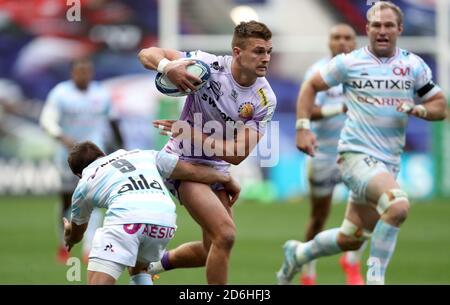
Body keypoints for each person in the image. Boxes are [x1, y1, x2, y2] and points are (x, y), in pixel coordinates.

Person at [278, 1, 447, 285]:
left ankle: (298, 253)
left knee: (351, 237)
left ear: (399, 29)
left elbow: (439, 105)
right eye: (377, 26)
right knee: (398, 205)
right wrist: (302, 128)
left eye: (389, 26)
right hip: (354, 155)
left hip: (388, 161)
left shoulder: (412, 65)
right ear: (367, 29)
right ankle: (375, 279)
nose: (382, 31)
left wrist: (420, 110)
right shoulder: (349, 62)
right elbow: (310, 86)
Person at [138, 20, 276, 284]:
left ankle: (150, 266)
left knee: (209, 250)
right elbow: (147, 54)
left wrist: (192, 133)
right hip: (184, 162)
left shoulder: (264, 98)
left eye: (268, 51)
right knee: (225, 236)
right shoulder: (207, 66)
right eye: (258, 51)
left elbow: (237, 154)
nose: (266, 58)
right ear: (237, 52)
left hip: (216, 168)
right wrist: (169, 68)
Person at [63, 141, 240, 285]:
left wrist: (70, 237)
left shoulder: (84, 183)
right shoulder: (142, 154)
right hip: (164, 222)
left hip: (127, 220)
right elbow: (192, 171)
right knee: (140, 269)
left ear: (79, 173)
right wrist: (226, 178)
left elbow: (78, 233)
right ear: (103, 154)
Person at [299, 24, 366, 285]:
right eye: (336, 37)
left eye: (347, 37)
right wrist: (339, 107)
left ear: (355, 41)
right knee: (318, 217)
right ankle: (308, 271)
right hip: (324, 154)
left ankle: (351, 262)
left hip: (357, 152)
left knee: (368, 211)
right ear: (329, 42)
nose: (342, 42)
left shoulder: (365, 72)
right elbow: (308, 109)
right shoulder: (317, 72)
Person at [39, 58, 124, 264]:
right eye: (80, 71)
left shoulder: (101, 93)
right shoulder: (61, 93)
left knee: (93, 200)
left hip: (95, 158)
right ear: (72, 73)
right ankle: (64, 242)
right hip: (67, 157)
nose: (84, 74)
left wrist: (121, 146)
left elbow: (112, 122)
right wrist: (62, 138)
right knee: (68, 201)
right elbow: (47, 120)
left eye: (87, 70)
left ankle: (89, 247)